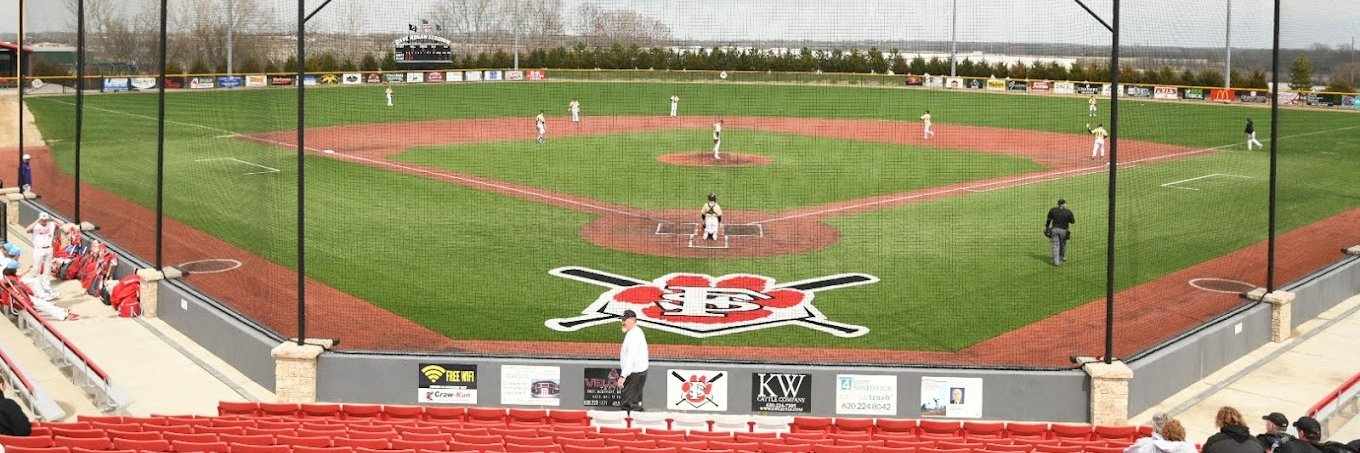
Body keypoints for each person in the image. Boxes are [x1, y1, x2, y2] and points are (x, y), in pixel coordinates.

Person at [616, 309, 648, 413]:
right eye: (622, 319)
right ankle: (635, 426)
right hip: (636, 373)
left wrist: (623, 376)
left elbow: (631, 358)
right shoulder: (635, 332)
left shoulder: (634, 335)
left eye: (625, 320)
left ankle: (631, 427)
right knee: (632, 403)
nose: (623, 322)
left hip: (634, 374)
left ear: (633, 320)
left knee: (628, 405)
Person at [27, 212, 60, 300]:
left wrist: (51, 217)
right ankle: (33, 287)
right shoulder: (36, 226)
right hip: (39, 249)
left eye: (45, 220)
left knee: (47, 269)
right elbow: (27, 229)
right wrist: (38, 220)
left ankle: (47, 287)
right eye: (42, 220)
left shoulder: (51, 224)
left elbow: (62, 224)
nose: (44, 221)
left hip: (49, 249)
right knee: (36, 269)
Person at [1045, 199, 1075, 266]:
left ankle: (1056, 262)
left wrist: (1047, 227)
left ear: (1058, 204)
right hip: (1064, 231)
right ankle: (1063, 257)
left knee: (1055, 245)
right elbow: (1072, 222)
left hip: (1054, 230)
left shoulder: (1053, 210)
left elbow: (1048, 220)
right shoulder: (1068, 211)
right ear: (1064, 204)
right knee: (1063, 244)